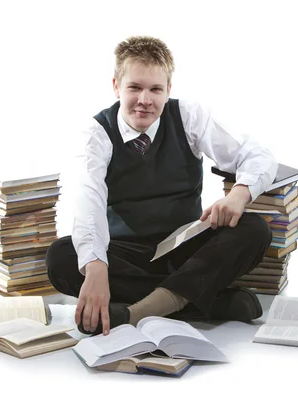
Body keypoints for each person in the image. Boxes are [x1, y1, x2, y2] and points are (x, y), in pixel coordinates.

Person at [46, 36, 278, 336]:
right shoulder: (97, 133)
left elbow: (258, 155)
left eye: (156, 89)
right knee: (61, 257)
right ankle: (205, 301)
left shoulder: (189, 116)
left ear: (169, 90)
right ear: (116, 86)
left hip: (183, 249)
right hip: (124, 254)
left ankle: (137, 312)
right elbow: (87, 201)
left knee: (254, 228)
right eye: (135, 88)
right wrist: (96, 267)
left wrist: (238, 194)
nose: (145, 100)